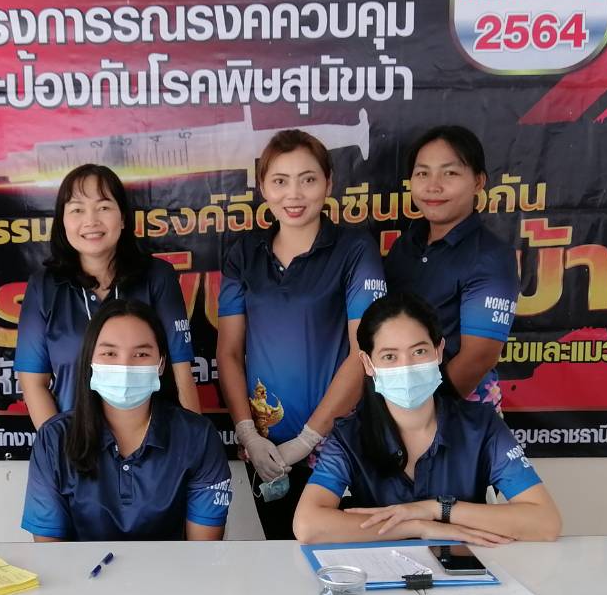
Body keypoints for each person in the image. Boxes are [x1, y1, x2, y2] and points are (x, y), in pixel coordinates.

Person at [216, 129, 386, 539]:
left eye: (308, 179)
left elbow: (363, 352)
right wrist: (248, 434)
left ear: (329, 183)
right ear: (263, 187)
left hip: (337, 446)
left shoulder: (354, 250)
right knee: (281, 555)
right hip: (266, 452)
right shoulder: (244, 254)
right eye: (280, 181)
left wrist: (308, 438)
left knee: (339, 560)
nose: (293, 194)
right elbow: (229, 353)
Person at [293, 292, 560, 545]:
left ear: (438, 351)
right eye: (389, 356)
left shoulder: (482, 425)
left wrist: (436, 509)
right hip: (381, 569)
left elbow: (545, 522)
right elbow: (307, 525)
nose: (406, 366)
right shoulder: (349, 436)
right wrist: (417, 527)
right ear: (368, 364)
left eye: (419, 351)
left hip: (467, 567)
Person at [22, 299, 231, 542]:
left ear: (161, 364)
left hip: (174, 568)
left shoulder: (199, 437)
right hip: (80, 569)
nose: (124, 366)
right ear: (90, 361)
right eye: (109, 353)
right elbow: (50, 552)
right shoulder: (53, 440)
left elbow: (204, 551)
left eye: (141, 354)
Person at [16, 164, 200, 426]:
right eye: (77, 209)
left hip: (155, 443)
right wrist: (57, 446)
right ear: (62, 221)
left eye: (103, 207)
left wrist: (194, 443)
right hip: (75, 442)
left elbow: (181, 373)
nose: (91, 221)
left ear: (123, 218)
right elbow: (33, 383)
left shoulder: (158, 277)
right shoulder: (42, 287)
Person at [383, 125, 519, 407]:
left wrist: (422, 414)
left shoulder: (491, 257)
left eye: (450, 173)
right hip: (395, 402)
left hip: (453, 409)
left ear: (478, 182)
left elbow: (478, 357)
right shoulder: (404, 246)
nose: (433, 186)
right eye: (423, 173)